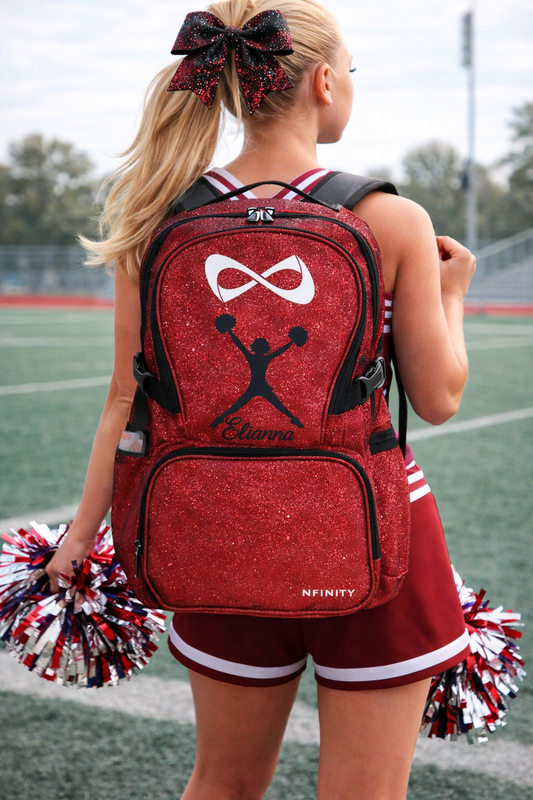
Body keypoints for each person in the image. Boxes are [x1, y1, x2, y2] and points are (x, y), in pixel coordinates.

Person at [46, 0, 477, 797]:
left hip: (210, 526)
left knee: (223, 783)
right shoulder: (392, 219)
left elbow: (122, 401)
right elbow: (439, 396)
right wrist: (451, 295)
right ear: (321, 82)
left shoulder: (156, 218)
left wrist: (81, 536)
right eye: (350, 70)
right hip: (372, 527)